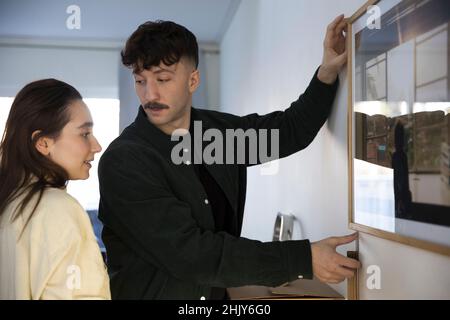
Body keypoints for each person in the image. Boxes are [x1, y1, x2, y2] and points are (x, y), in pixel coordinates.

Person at [98, 16, 361, 300]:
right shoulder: (125, 161)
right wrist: (302, 259)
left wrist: (326, 74)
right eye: (140, 81)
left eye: (162, 79)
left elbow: (289, 131)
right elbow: (192, 254)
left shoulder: (217, 137)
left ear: (193, 80)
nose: (149, 94)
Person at [0, 79, 110, 300]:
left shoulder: (10, 204)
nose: (97, 146)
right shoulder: (57, 209)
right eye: (84, 134)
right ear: (43, 143)